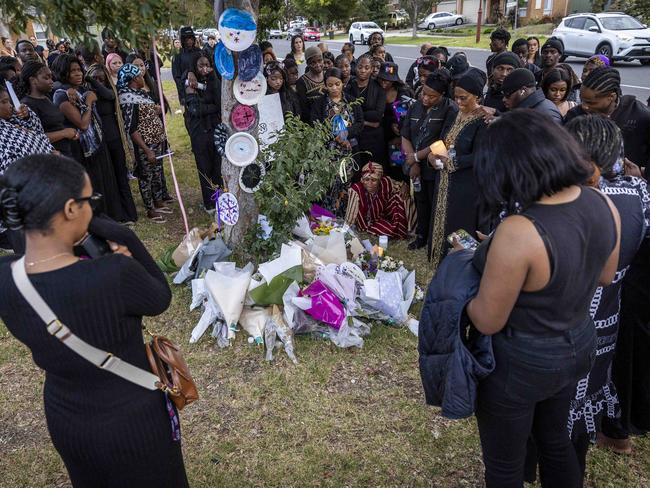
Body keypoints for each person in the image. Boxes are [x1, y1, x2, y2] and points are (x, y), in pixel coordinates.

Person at [0, 154, 189, 487]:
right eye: (91, 201)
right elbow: (160, 297)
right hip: (134, 417)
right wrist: (122, 236)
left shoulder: (5, 278)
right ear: (71, 209)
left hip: (67, 416)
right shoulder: (113, 273)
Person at [467, 110, 620, 488]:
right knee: (554, 440)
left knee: (505, 465)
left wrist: (461, 297)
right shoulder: (603, 203)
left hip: (522, 361)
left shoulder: (519, 231)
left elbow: (487, 320)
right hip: (578, 344)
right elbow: (603, 275)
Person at [563, 115, 650, 479]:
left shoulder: (569, 198)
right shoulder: (639, 194)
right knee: (584, 403)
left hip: (561, 322)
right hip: (608, 319)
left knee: (557, 411)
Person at [51, 54, 127, 222]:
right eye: (72, 71)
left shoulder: (80, 89)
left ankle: (113, 217)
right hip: (82, 148)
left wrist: (90, 86)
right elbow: (83, 124)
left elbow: (108, 94)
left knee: (105, 181)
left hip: (97, 143)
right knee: (93, 185)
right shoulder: (62, 95)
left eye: (79, 69)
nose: (78, 74)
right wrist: (90, 103)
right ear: (64, 72)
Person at [428, 70, 488, 267]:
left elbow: (481, 155)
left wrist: (452, 163)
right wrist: (433, 156)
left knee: (458, 222)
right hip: (444, 178)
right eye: (456, 98)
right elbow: (444, 140)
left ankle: (456, 264)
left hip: (465, 185)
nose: (459, 102)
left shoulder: (483, 121)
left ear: (477, 96)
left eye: (464, 98)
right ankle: (436, 257)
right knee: (440, 216)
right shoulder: (456, 114)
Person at [401, 70, 458, 251]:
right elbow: (405, 135)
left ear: (442, 94)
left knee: (436, 204)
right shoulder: (415, 107)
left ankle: (435, 240)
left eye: (431, 96)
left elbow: (443, 141)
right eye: (424, 93)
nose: (425, 99)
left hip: (435, 167)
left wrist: (418, 157)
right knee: (420, 201)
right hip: (416, 166)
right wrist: (414, 163)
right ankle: (421, 235)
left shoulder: (450, 109)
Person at [565, 66, 650, 170]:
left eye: (591, 102)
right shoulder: (575, 115)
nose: (584, 106)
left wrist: (641, 172)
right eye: (582, 100)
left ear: (611, 97)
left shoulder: (641, 116)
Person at [85, 62, 138, 224]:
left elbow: (109, 95)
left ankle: (129, 213)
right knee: (108, 180)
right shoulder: (87, 95)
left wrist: (92, 81)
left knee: (121, 176)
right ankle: (115, 214)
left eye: (102, 79)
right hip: (99, 143)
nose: (99, 82)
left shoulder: (108, 92)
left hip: (114, 139)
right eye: (95, 79)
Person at [118, 64, 171, 223]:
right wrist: (146, 150)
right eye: (140, 76)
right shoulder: (128, 98)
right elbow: (132, 128)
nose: (143, 78)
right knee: (146, 176)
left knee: (156, 172)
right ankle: (150, 209)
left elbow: (145, 114)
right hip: (145, 143)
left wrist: (155, 110)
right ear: (134, 78)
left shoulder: (140, 93)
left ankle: (159, 201)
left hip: (156, 140)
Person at [310, 67, 363, 218]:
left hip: (348, 151)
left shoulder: (352, 101)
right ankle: (326, 216)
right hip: (327, 152)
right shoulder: (319, 103)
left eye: (337, 84)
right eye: (330, 85)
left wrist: (347, 133)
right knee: (328, 183)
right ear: (325, 85)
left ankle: (344, 216)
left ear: (343, 83)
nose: (334, 88)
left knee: (345, 181)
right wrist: (333, 134)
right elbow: (315, 124)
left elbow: (360, 122)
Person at [184, 54, 223, 213]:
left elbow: (220, 103)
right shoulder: (189, 82)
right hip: (199, 131)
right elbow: (194, 109)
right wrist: (212, 107)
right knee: (204, 167)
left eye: (207, 65)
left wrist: (209, 107)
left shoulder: (213, 81)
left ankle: (219, 198)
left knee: (217, 165)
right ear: (195, 66)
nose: (204, 68)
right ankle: (209, 203)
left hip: (214, 129)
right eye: (200, 66)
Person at [19, 61, 79, 157]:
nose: (51, 81)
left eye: (51, 77)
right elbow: (34, 137)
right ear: (33, 80)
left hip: (66, 151)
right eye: (46, 78)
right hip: (52, 156)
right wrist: (64, 133)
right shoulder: (27, 105)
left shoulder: (46, 97)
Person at [345, 162, 415, 238]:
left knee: (402, 197)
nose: (370, 183)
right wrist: (345, 230)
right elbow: (350, 215)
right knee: (388, 230)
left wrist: (404, 186)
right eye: (366, 179)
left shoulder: (385, 182)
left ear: (379, 180)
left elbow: (400, 185)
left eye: (374, 180)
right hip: (368, 222)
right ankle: (398, 230)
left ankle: (410, 229)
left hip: (382, 213)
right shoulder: (356, 190)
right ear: (362, 180)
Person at [345, 55, 387, 169]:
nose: (363, 70)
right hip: (354, 136)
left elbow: (378, 115)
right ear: (355, 67)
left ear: (371, 69)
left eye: (367, 67)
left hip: (373, 138)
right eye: (360, 67)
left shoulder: (378, 89)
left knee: (372, 170)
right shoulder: (348, 88)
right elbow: (346, 112)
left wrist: (358, 116)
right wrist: (367, 122)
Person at [0, 84, 54, 167]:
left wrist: (27, 116)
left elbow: (39, 131)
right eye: (4, 102)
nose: (10, 105)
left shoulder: (14, 118)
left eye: (9, 101)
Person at [377, 62, 414, 181]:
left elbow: (410, 117)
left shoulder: (404, 93)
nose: (384, 82)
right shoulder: (376, 90)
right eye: (382, 79)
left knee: (400, 173)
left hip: (400, 140)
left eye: (387, 80)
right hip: (383, 136)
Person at [171, 26, 202, 105]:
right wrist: (182, 96)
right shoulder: (178, 55)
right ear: (183, 40)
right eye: (187, 39)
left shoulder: (199, 52)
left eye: (191, 38)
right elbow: (177, 77)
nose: (189, 41)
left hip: (202, 88)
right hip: (187, 91)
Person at [296, 46, 325, 121]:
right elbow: (304, 108)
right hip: (312, 122)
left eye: (320, 61)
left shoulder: (328, 76)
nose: (318, 65)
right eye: (313, 62)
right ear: (308, 64)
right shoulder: (302, 82)